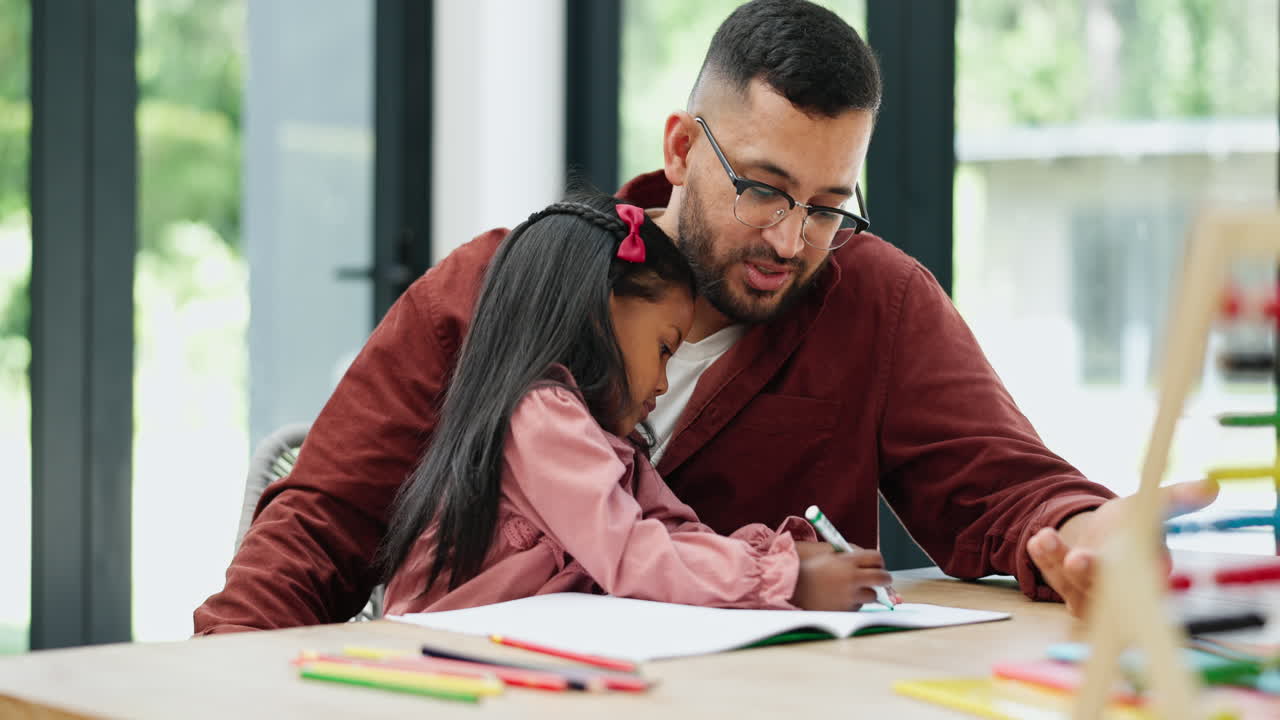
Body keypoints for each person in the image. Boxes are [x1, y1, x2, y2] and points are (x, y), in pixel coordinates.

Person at [195, 0, 1213, 634]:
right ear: (681, 147)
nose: (790, 238)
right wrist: (205, 687)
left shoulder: (876, 301)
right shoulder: (497, 288)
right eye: (762, 187)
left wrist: (1082, 529)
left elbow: (1007, 490)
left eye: (826, 204)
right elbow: (323, 524)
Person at [377, 193, 891, 614]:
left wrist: (786, 554)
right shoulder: (541, 417)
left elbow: (676, 533)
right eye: (665, 348)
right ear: (598, 315)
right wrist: (785, 580)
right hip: (440, 675)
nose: (664, 384)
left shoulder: (616, 448)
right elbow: (629, 551)